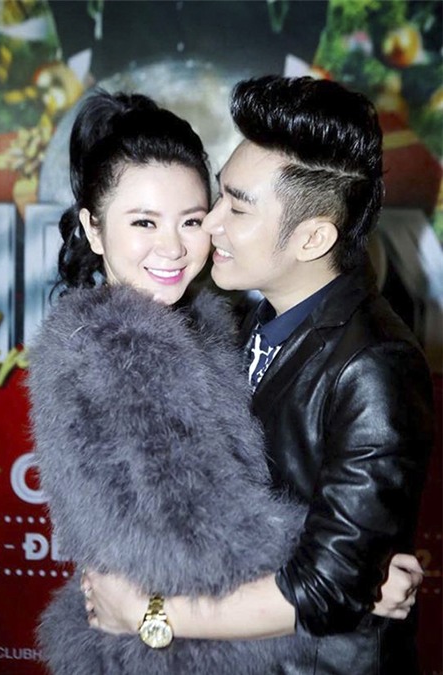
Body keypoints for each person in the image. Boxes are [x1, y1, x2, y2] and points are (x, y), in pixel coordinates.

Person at [84, 76, 434, 674]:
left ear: (313, 237)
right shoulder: (242, 322)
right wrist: (360, 572)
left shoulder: (374, 366)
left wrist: (151, 614)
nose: (210, 223)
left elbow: (324, 589)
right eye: (218, 196)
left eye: (237, 208)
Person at [28, 87, 311, 675]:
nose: (173, 247)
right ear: (94, 229)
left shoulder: (199, 326)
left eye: (191, 221)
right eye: (144, 222)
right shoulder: (117, 352)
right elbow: (209, 549)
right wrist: (349, 573)